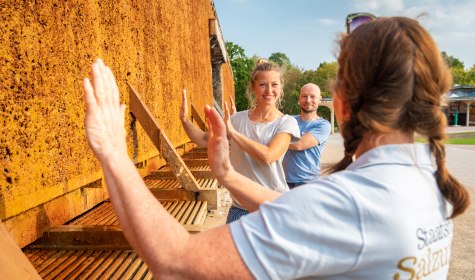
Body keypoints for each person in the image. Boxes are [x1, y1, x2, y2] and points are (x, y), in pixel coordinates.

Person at [83, 16, 470, 279]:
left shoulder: (351, 202)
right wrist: (227, 174)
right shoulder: (430, 180)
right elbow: (301, 213)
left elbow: (175, 261)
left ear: (342, 104)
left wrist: (113, 151)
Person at [180, 60, 300, 223]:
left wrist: (234, 134)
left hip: (274, 206)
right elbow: (204, 139)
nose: (269, 90)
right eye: (263, 84)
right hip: (240, 208)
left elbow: (268, 156)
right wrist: (185, 121)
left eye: (274, 84)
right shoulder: (236, 119)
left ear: (281, 87)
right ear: (253, 86)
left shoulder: (286, 123)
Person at [282, 83, 331, 189]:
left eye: (312, 96)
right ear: (299, 99)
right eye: (304, 96)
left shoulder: (323, 125)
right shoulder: (290, 120)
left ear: (320, 100)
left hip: (307, 182)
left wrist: (277, 141)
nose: (308, 100)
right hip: (283, 180)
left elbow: (299, 144)